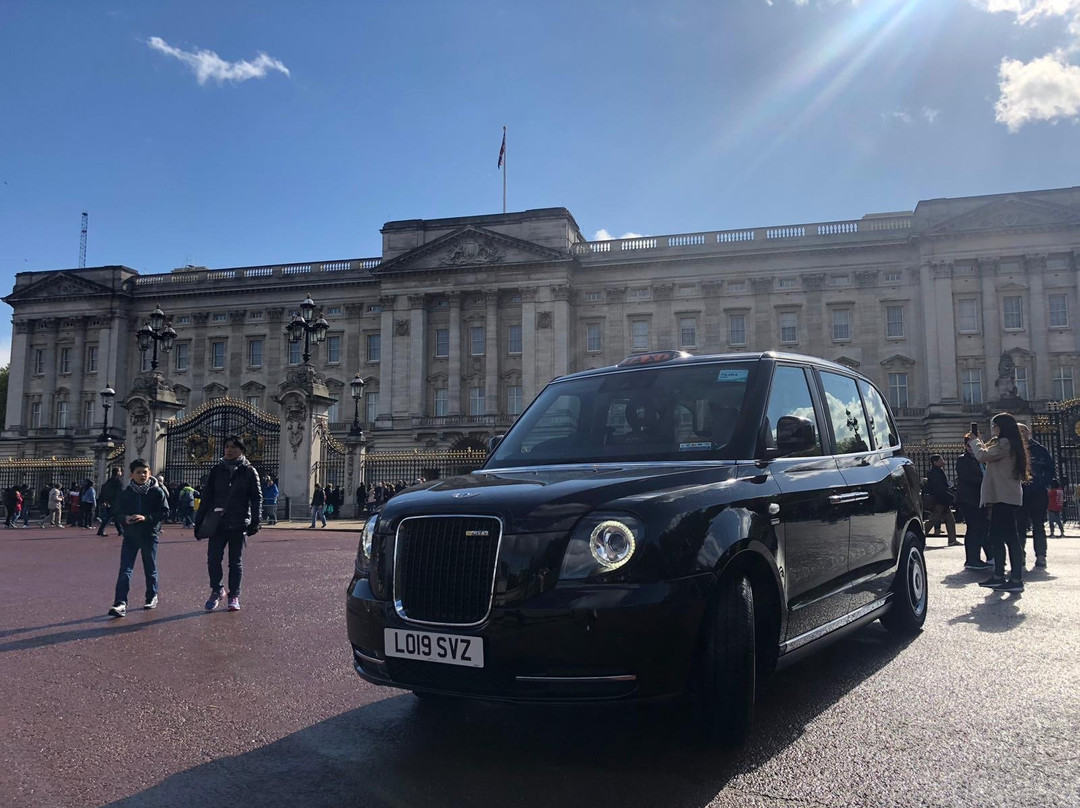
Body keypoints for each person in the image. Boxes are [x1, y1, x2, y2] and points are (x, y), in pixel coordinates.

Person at [194, 435, 262, 612]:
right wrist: (198, 521)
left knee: (235, 562)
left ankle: (234, 595)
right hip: (218, 522)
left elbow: (256, 498)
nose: (229, 450)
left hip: (239, 522)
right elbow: (207, 496)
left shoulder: (249, 471)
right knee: (213, 559)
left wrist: (255, 520)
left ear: (241, 450)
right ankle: (217, 589)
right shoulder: (217, 470)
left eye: (233, 447)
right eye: (227, 446)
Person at [971, 413, 1030, 593]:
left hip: (1004, 497)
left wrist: (975, 441)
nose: (993, 429)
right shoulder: (1007, 443)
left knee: (1008, 537)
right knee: (997, 536)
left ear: (1002, 427)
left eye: (995, 426)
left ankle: (1014, 578)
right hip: (1002, 496)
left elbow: (983, 456)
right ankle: (1000, 576)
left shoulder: (1005, 443)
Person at [107, 458, 170, 617]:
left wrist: (146, 518)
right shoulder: (126, 493)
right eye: (139, 472)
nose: (142, 475)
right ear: (132, 475)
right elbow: (117, 512)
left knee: (150, 568)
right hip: (130, 536)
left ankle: (151, 596)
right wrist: (125, 519)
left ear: (149, 473)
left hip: (149, 535)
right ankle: (120, 602)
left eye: (145, 472)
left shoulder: (157, 492)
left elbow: (164, 511)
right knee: (125, 570)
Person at [1018, 423, 1054, 569]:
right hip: (1019, 493)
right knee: (1019, 526)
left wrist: (1041, 483)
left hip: (1037, 493)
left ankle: (1041, 555)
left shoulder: (1040, 450)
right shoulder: (1013, 450)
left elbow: (1050, 471)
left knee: (1038, 525)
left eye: (1022, 431)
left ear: (1028, 432)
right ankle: (1020, 555)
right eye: (1017, 431)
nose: (1020, 434)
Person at [956, 435, 992, 570]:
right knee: (973, 528)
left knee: (980, 528)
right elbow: (969, 478)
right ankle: (972, 559)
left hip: (980, 498)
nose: (971, 448)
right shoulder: (963, 460)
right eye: (969, 446)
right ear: (965, 446)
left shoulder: (981, 460)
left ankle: (976, 557)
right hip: (969, 499)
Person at [923, 454, 959, 546]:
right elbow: (939, 488)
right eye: (941, 459)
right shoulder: (934, 472)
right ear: (935, 462)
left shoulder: (938, 471)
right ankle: (920, 535)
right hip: (940, 500)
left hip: (943, 500)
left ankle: (952, 540)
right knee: (933, 520)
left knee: (950, 520)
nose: (943, 460)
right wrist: (950, 496)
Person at [97, 467, 124, 537]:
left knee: (114, 517)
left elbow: (104, 490)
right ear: (118, 472)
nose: (121, 472)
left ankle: (120, 531)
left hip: (109, 501)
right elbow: (121, 492)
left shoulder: (109, 480)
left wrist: (103, 500)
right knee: (112, 516)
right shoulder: (118, 481)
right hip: (115, 502)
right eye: (120, 471)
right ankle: (101, 530)